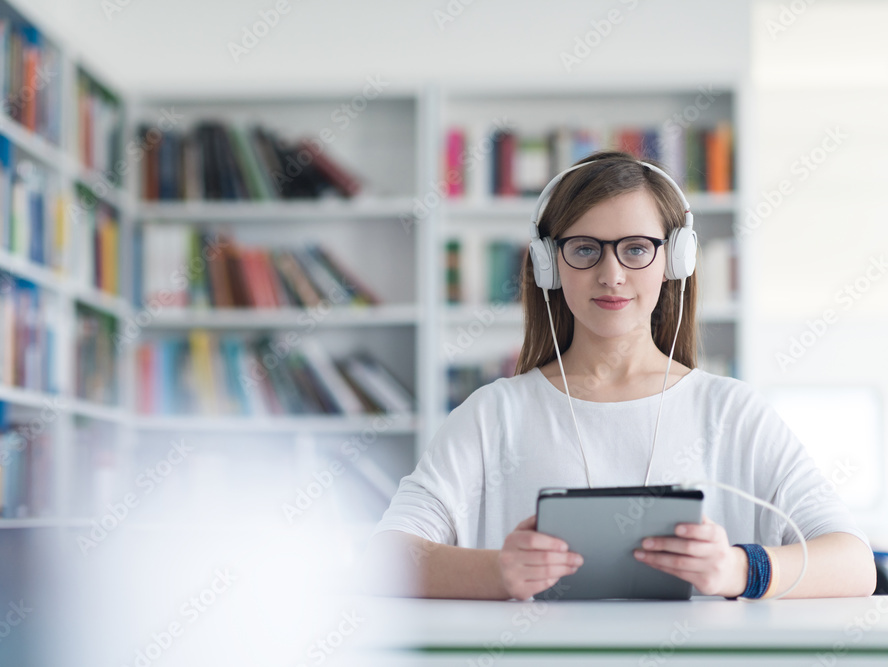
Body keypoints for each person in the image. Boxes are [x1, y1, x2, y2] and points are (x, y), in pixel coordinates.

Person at [363, 151, 876, 601]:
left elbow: (854, 564)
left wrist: (740, 568)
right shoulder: (492, 414)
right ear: (549, 264)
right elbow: (384, 558)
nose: (611, 274)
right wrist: (497, 571)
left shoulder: (732, 412)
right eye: (585, 248)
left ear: (674, 260)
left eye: (636, 248)